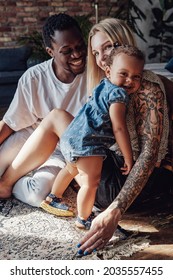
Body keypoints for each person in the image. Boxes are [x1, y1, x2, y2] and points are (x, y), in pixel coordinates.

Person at [0, 17, 172, 254]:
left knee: (57, 122)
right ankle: (22, 186)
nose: (101, 58)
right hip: (106, 169)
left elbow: (147, 158)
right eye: (97, 52)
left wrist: (115, 210)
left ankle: (69, 207)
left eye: (108, 47)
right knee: (58, 124)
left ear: (125, 43)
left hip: (120, 184)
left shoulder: (146, 87)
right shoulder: (109, 82)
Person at [39, 46, 145, 230]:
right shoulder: (118, 94)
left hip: (71, 136)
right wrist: (128, 157)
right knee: (91, 182)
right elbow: (119, 127)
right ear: (109, 71)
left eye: (136, 76)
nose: (129, 80)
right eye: (124, 74)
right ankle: (84, 218)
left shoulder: (103, 84)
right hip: (89, 143)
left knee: (71, 169)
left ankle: (53, 197)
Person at [0, 13, 87, 204]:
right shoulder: (34, 77)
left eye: (80, 46)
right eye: (67, 50)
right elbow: (10, 123)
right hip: (31, 135)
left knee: (36, 195)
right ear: (50, 52)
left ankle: (11, 183)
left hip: (62, 150)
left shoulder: (94, 75)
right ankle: (16, 172)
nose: (77, 54)